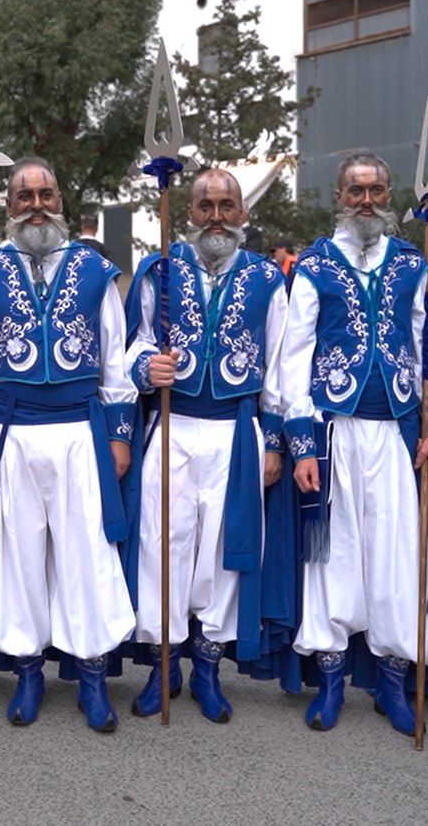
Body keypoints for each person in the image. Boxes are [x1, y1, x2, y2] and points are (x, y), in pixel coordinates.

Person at [0, 157, 137, 733]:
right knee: (19, 552)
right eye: (25, 196)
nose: (37, 205)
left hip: (79, 431)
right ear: (9, 206)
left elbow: (115, 362)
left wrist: (119, 435)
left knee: (86, 552)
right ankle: (27, 671)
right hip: (10, 433)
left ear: (61, 201)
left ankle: (92, 674)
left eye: (46, 194)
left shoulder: (95, 270)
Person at [280, 152, 428, 736]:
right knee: (333, 555)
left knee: (398, 554)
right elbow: (293, 358)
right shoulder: (315, 265)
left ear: (390, 195)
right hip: (335, 432)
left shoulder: (412, 262)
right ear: (340, 197)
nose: (367, 201)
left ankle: (392, 683)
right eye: (357, 191)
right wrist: (302, 443)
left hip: (398, 432)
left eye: (376, 190)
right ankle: (329, 680)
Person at [124, 168, 289, 724]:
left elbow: (279, 366)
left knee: (221, 551)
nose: (216, 216)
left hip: (234, 431)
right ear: (189, 213)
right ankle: (164, 665)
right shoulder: (160, 270)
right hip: (172, 424)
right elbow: (132, 344)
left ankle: (208, 668)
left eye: (226, 205)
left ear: (243, 213)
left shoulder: (267, 278)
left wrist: (273, 442)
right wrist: (148, 367)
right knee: (162, 545)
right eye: (204, 205)